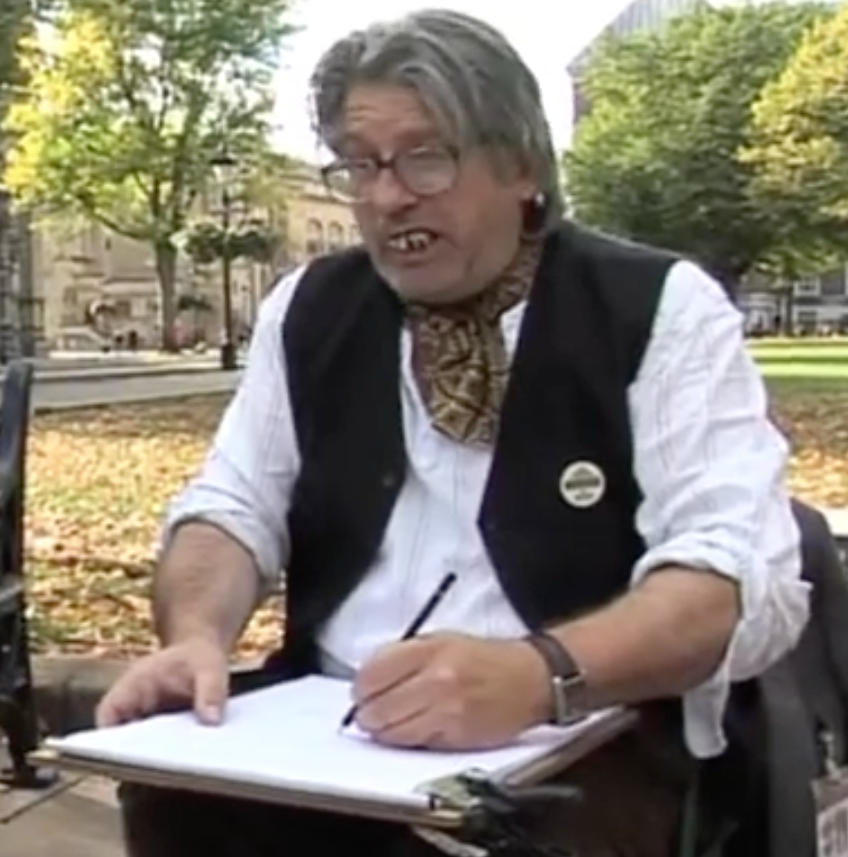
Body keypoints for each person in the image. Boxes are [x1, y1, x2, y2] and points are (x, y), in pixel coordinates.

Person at [96, 9, 810, 857]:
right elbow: (230, 507)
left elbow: (736, 577)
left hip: (582, 737)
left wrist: (540, 672)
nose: (387, 196)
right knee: (176, 801)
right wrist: (196, 637)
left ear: (520, 164)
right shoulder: (308, 310)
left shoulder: (659, 308)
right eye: (361, 164)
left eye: (425, 157)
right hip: (327, 736)